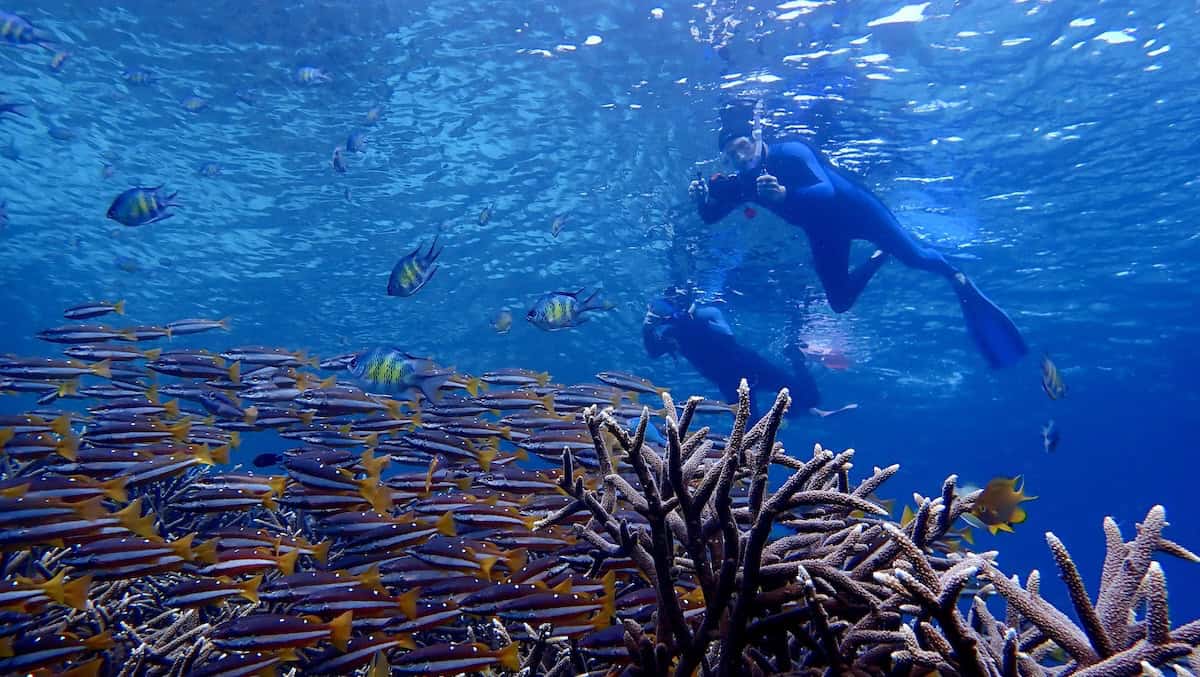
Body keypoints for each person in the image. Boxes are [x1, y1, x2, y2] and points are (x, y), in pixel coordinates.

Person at [688, 100, 1027, 369]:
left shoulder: (790, 152)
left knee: (917, 257)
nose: (738, 157)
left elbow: (826, 192)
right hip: (823, 232)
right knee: (839, 301)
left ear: (757, 138)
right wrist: (701, 200)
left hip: (861, 212)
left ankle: (955, 275)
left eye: (742, 146)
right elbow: (711, 216)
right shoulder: (745, 182)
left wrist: (784, 196)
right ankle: (880, 255)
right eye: (731, 154)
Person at [642, 288, 853, 419]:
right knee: (750, 427)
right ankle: (798, 413)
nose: (670, 316)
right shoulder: (672, 335)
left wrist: (690, 315)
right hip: (730, 381)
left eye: (671, 309)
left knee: (811, 399)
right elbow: (654, 352)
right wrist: (647, 329)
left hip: (752, 367)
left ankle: (797, 363)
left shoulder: (705, 317)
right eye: (663, 312)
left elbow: (726, 334)